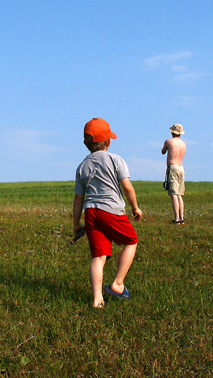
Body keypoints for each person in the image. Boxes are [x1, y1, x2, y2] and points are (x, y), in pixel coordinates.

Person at [73, 118, 143, 308]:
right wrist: (135, 207)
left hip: (91, 213)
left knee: (98, 256)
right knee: (131, 241)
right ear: (109, 141)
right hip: (111, 211)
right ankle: (117, 284)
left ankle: (97, 299)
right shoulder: (116, 160)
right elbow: (127, 186)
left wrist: (76, 224)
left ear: (86, 143)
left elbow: (78, 198)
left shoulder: (82, 166)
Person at [161, 123, 186, 224]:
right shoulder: (183, 144)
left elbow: (163, 151)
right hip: (181, 167)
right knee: (179, 194)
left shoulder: (168, 142)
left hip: (173, 167)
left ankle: (177, 219)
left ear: (172, 132)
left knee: (174, 194)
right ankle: (181, 217)